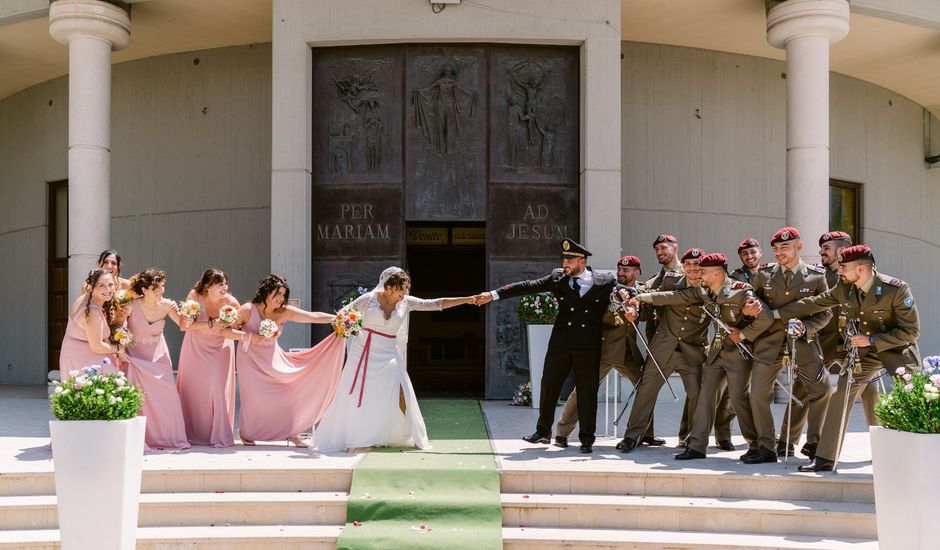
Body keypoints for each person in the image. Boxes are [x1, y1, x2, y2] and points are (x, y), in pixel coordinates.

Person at [774, 245, 921, 472]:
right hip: (864, 354)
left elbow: (911, 332)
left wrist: (871, 341)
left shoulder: (896, 289)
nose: (839, 271)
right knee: (841, 394)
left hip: (896, 350)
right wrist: (775, 313)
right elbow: (815, 302)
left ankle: (919, 456)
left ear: (861, 269)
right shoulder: (845, 288)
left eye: (844, 267)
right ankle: (825, 459)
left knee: (913, 396)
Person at [476, 239, 616, 454]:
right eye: (563, 259)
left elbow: (624, 291)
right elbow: (528, 286)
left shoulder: (603, 281)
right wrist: (494, 295)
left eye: (569, 260)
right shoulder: (557, 278)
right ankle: (542, 432)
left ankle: (587, 438)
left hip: (588, 345)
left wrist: (632, 297)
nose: (564, 264)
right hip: (561, 343)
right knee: (549, 385)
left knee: (587, 391)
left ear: (581, 260)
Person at [315, 268, 476, 452]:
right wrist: (355, 328)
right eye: (402, 289)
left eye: (406, 289)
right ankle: (358, 439)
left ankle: (407, 433)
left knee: (402, 393)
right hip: (363, 353)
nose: (405, 293)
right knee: (361, 395)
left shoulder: (406, 302)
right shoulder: (368, 299)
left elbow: (434, 304)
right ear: (389, 287)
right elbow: (341, 317)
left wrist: (466, 300)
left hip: (389, 354)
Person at [553, 255, 663, 448]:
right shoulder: (607, 287)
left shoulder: (642, 290)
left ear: (637, 272)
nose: (621, 273)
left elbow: (647, 314)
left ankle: (645, 434)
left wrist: (636, 313)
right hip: (602, 350)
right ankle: (562, 433)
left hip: (628, 352)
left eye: (626, 270)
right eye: (619, 269)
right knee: (583, 391)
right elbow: (598, 314)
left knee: (646, 390)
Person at [747, 227, 833, 464]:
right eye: (775, 248)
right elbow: (752, 304)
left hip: (803, 343)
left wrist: (807, 328)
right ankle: (766, 447)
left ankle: (814, 444)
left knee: (822, 390)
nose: (779, 253)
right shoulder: (763, 275)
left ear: (798, 246)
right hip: (769, 343)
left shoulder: (816, 276)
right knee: (757, 395)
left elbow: (825, 313)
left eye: (785, 247)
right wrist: (747, 309)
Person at [235, 275, 345, 447]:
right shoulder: (247, 309)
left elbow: (313, 316)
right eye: (277, 294)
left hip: (273, 358)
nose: (280, 299)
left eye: (283, 295)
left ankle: (292, 432)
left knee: (291, 390)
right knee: (254, 398)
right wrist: (250, 336)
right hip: (249, 360)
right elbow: (226, 330)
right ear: (266, 291)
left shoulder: (284, 311)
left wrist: (338, 319)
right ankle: (247, 433)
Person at [618, 248, 711, 453]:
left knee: (698, 394)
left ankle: (690, 438)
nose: (693, 269)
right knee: (646, 390)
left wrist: (644, 298)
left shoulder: (710, 288)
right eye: (688, 265)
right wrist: (634, 305)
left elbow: (666, 297)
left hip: (693, 351)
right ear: (683, 267)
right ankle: (633, 436)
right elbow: (645, 291)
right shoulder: (669, 281)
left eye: (697, 265)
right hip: (663, 348)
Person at [124, 269, 190, 450]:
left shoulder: (168, 305)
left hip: (158, 357)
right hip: (135, 356)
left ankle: (168, 437)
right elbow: (117, 327)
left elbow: (184, 326)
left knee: (167, 394)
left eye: (162, 285)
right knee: (141, 398)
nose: (161, 290)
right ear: (144, 290)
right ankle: (143, 437)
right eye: (156, 287)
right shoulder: (130, 306)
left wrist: (186, 312)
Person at [176, 269, 241, 447]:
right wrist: (212, 324)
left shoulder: (231, 302)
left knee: (217, 388)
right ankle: (192, 433)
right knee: (193, 388)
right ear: (208, 286)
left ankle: (219, 434)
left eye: (226, 283)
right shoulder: (194, 297)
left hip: (220, 347)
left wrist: (232, 324)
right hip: (195, 346)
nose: (225, 287)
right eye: (220, 284)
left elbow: (237, 327)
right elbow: (185, 326)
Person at [60, 269, 125, 377]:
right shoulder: (93, 312)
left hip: (74, 353)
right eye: (101, 286)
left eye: (110, 284)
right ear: (91, 287)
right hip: (85, 359)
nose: (108, 289)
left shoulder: (84, 298)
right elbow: (97, 346)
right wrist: (118, 349)